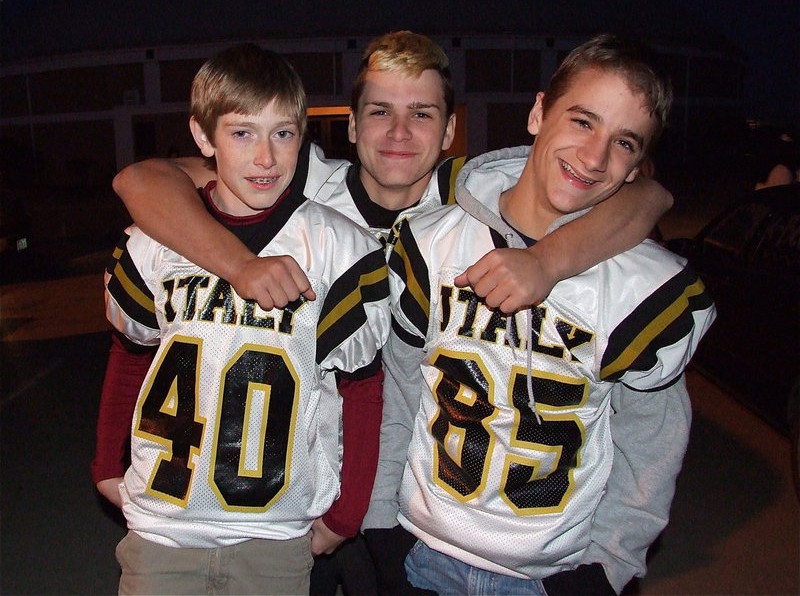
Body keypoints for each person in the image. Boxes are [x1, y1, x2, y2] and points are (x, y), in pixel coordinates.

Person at [109, 31, 674, 595]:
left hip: (413, 507)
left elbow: (645, 197)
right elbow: (145, 178)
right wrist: (238, 265)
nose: (399, 133)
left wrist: (549, 260)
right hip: (287, 493)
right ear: (350, 127)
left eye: (422, 114)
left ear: (450, 131)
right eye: (380, 111)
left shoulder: (466, 199)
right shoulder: (297, 181)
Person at [385, 34, 716, 596]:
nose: (594, 157)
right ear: (538, 112)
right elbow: (403, 389)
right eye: (582, 121)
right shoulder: (432, 240)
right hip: (422, 549)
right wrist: (379, 529)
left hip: (548, 575)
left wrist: (608, 566)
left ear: (638, 165)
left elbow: (651, 447)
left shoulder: (643, 287)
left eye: (624, 143)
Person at [92, 43, 391, 595]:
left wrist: (344, 514)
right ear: (203, 138)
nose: (265, 158)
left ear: (303, 135)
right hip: (164, 524)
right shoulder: (155, 241)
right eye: (242, 133)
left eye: (283, 133)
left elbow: (361, 388)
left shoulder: (339, 249)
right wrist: (107, 466)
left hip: (274, 531)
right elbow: (132, 352)